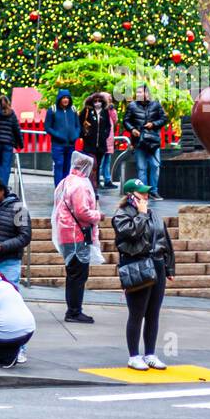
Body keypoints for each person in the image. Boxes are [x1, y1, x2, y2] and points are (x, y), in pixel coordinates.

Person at [112, 179, 176, 371]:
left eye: (147, 193)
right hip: (137, 266)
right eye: (142, 194)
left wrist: (169, 267)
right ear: (131, 196)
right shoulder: (121, 215)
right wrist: (140, 215)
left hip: (156, 265)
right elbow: (131, 234)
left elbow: (165, 240)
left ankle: (150, 353)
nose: (146, 197)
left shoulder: (153, 214)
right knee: (137, 313)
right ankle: (134, 355)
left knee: (153, 313)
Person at [51, 151, 102, 324]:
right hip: (76, 234)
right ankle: (74, 311)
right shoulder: (80, 185)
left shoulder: (66, 181)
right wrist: (98, 215)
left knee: (73, 274)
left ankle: (73, 310)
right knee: (78, 276)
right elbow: (82, 212)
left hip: (67, 233)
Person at [124, 84, 168, 199]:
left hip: (153, 141)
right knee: (141, 168)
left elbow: (164, 119)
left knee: (155, 166)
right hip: (139, 141)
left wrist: (153, 124)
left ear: (147, 93)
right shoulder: (132, 106)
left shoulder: (156, 104)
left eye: (140, 92)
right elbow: (126, 121)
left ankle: (154, 190)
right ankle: (143, 192)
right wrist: (132, 129)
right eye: (137, 92)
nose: (138, 94)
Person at [44, 88, 81, 186]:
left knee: (68, 166)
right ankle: (59, 189)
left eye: (67, 98)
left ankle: (66, 189)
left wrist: (75, 135)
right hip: (58, 145)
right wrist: (58, 135)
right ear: (59, 99)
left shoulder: (73, 109)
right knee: (59, 165)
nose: (66, 100)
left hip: (71, 144)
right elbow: (47, 127)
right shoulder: (52, 110)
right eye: (63, 98)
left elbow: (78, 125)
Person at [79, 92, 112, 193]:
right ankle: (89, 184)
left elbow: (108, 126)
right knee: (92, 164)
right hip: (89, 143)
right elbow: (80, 123)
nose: (97, 103)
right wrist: (84, 135)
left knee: (97, 165)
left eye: (99, 101)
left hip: (101, 144)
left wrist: (104, 135)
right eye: (95, 101)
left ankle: (95, 184)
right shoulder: (87, 111)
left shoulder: (105, 112)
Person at [98, 93, 119, 191]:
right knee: (100, 162)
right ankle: (97, 180)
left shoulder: (110, 110)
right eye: (108, 99)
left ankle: (107, 180)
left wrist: (112, 110)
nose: (110, 100)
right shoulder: (99, 109)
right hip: (101, 139)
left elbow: (115, 120)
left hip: (109, 139)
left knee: (107, 161)